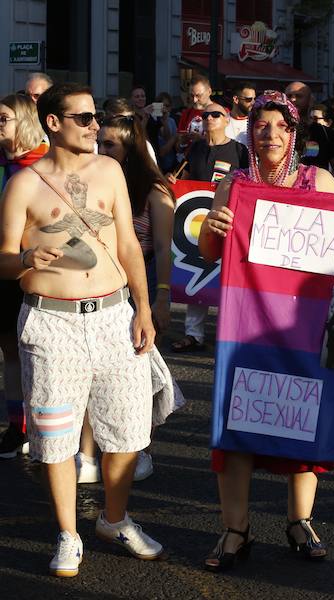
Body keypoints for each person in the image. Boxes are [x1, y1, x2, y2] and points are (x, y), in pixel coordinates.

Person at [197, 91, 334, 572]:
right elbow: (207, 252)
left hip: (308, 324)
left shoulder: (320, 180)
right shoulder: (236, 185)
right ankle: (235, 530)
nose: (270, 135)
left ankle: (300, 521)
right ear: (251, 133)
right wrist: (215, 225)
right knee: (238, 423)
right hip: (249, 326)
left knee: (307, 418)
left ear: (295, 134)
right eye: (261, 126)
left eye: (280, 127)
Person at [0, 82, 163, 576]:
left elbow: (129, 246)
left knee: (129, 433)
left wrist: (145, 307)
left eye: (95, 118)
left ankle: (114, 519)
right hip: (52, 323)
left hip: (115, 316)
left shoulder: (110, 170)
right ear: (54, 123)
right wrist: (26, 258)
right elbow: (4, 259)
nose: (97, 126)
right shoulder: (23, 184)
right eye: (85, 118)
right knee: (55, 438)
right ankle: (69, 534)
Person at [83, 114, 176, 483]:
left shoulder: (154, 190)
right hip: (102, 283)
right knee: (94, 371)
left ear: (130, 150)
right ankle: (88, 454)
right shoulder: (94, 180)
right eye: (99, 142)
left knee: (138, 377)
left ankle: (140, 449)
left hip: (144, 280)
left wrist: (162, 297)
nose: (100, 149)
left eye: (109, 144)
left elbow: (165, 249)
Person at [169, 102, 248, 353]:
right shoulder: (196, 148)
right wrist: (175, 182)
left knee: (228, 277)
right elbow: (186, 176)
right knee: (197, 274)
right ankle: (194, 334)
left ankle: (230, 335)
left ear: (227, 120)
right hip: (198, 221)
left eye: (216, 114)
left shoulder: (240, 150)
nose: (209, 118)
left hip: (229, 220)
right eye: (206, 115)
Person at [0, 93, 49, 459]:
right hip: (5, 269)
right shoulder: (7, 163)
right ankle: (18, 426)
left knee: (36, 353)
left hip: (35, 270)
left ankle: (44, 428)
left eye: (4, 119)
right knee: (10, 353)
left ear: (24, 121)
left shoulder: (43, 166)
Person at [287, 83, 334, 184]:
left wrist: (319, 182)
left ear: (310, 101)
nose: (293, 100)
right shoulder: (276, 132)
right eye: (289, 96)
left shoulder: (325, 133)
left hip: (313, 194)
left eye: (299, 96)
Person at [224, 82, 256, 147]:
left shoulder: (256, 122)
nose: (253, 103)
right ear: (236, 99)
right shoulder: (222, 121)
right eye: (249, 99)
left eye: (254, 99)